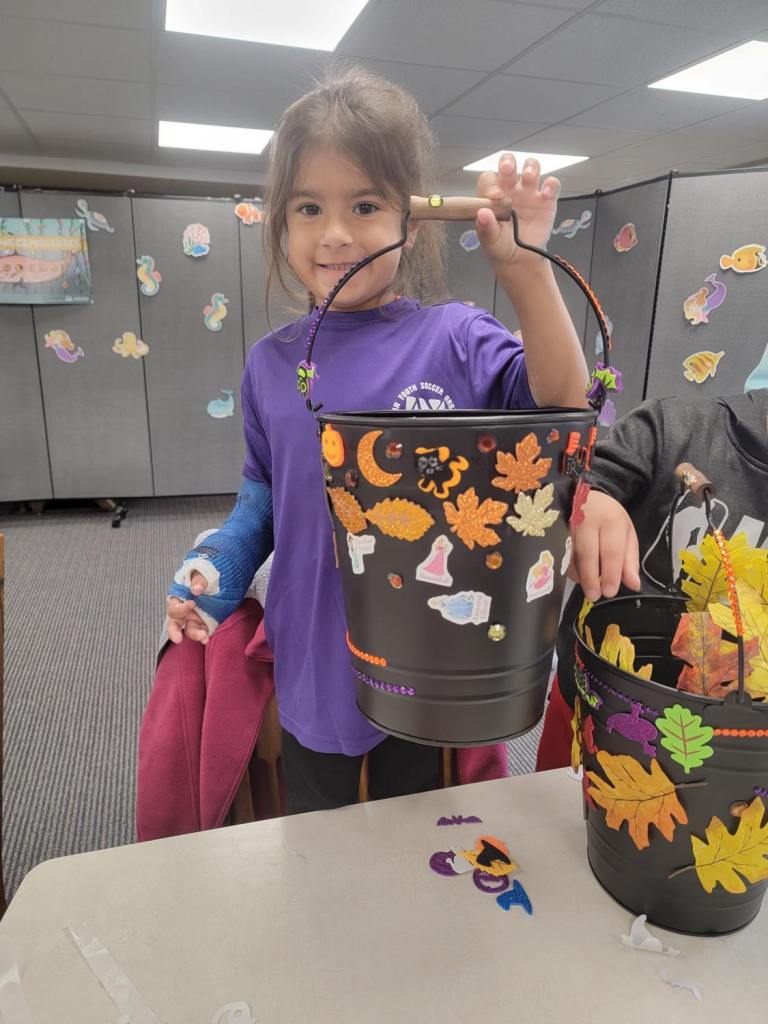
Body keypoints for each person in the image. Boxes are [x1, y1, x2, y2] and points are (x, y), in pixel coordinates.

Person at [165, 66, 590, 813]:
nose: (335, 233)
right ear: (282, 223)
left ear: (410, 220)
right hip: (314, 654)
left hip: (430, 652)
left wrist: (526, 272)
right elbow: (265, 499)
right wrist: (218, 567)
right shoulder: (272, 363)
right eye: (308, 207)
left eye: (364, 205)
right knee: (319, 835)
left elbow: (564, 404)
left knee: (417, 830)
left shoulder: (456, 338)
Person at [536, 387, 768, 770]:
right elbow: (569, 481)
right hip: (594, 704)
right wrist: (588, 499)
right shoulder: (672, 429)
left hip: (738, 751)